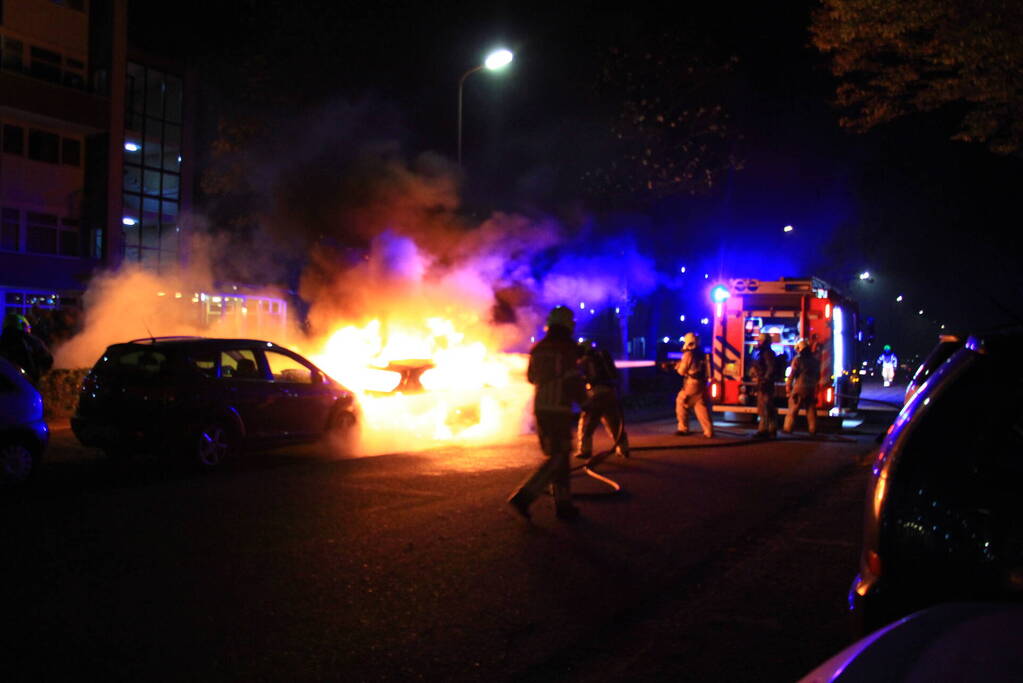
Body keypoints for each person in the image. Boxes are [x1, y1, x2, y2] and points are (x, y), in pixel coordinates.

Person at [508, 306, 586, 520]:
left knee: (558, 455)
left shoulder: (538, 348)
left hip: (541, 408)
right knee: (559, 457)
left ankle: (564, 505)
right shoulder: (567, 348)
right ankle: (524, 496)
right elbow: (572, 379)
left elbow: (531, 378)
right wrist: (585, 401)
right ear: (568, 325)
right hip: (559, 409)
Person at [575, 338, 630, 460]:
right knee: (614, 423)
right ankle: (623, 448)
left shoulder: (585, 361)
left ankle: (585, 450)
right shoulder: (601, 357)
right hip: (610, 392)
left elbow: (580, 377)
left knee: (586, 423)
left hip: (595, 394)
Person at [675, 332, 714, 438]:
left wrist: (677, 367)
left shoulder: (688, 354)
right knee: (700, 405)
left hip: (692, 384)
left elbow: (682, 371)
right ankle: (709, 431)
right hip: (701, 384)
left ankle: (683, 428)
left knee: (681, 401)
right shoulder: (701, 353)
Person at [0, 313, 54, 386]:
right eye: (28, 326)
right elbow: (48, 360)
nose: (29, 329)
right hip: (27, 386)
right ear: (23, 325)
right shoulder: (31, 340)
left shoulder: (2, 341)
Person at [783, 339, 822, 435]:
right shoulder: (815, 360)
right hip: (811, 388)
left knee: (793, 410)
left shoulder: (798, 360)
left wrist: (788, 386)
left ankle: (788, 429)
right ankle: (813, 429)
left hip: (799, 389)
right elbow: (818, 376)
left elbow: (792, 375)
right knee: (811, 411)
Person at [749, 331, 778, 438]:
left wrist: (765, 379)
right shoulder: (763, 352)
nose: (758, 343)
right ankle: (771, 429)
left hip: (765, 384)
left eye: (760, 341)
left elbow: (770, 368)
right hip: (764, 382)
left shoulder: (767, 353)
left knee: (764, 407)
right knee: (767, 407)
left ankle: (764, 430)